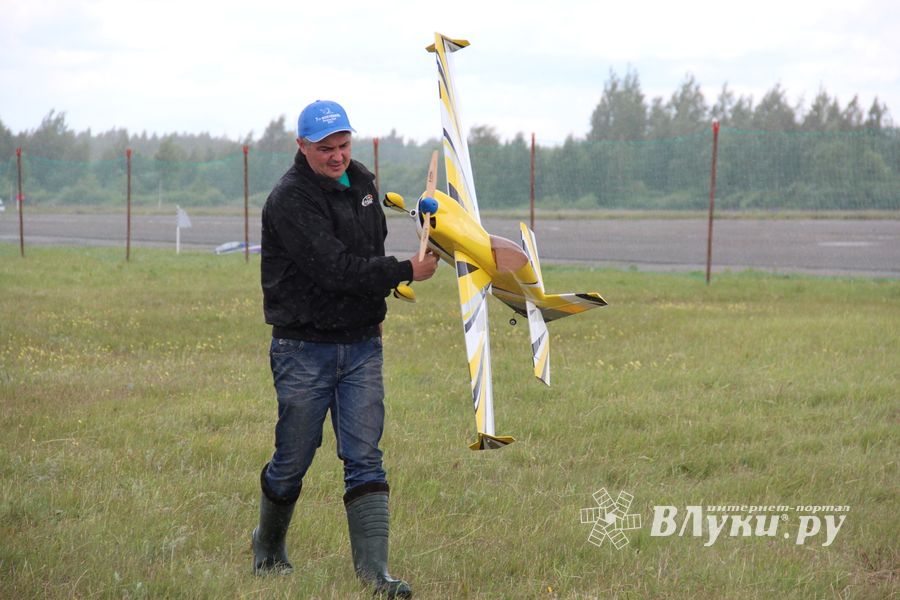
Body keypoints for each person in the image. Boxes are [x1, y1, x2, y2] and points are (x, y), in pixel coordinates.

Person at [252, 99, 437, 599]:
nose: (337, 157)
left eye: (343, 145)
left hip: (361, 346)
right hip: (302, 348)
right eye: (325, 148)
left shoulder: (363, 184)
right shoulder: (289, 200)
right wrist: (404, 272)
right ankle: (267, 549)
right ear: (302, 146)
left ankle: (375, 577)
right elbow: (334, 270)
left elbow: (368, 254)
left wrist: (414, 253)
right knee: (293, 459)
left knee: (365, 456)